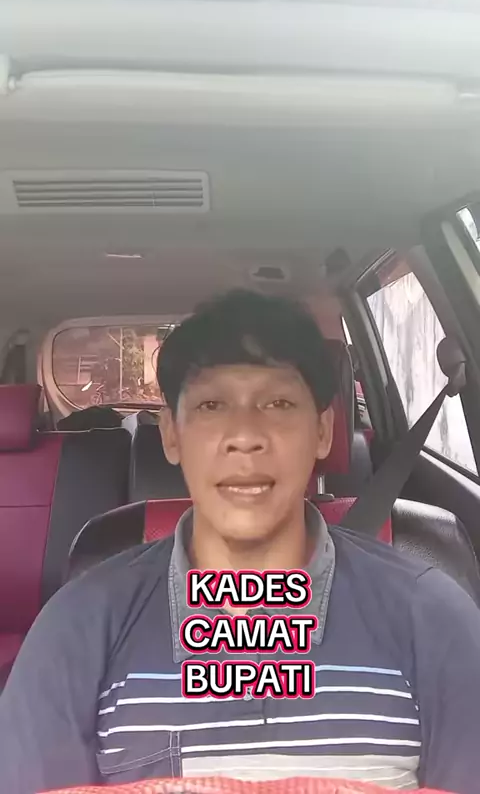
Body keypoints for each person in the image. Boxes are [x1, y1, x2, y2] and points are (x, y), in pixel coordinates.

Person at [0, 289, 479, 794]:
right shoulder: (77, 627)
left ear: (322, 430)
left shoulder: (431, 616)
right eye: (212, 405)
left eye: (278, 403)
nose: (245, 436)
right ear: (172, 435)